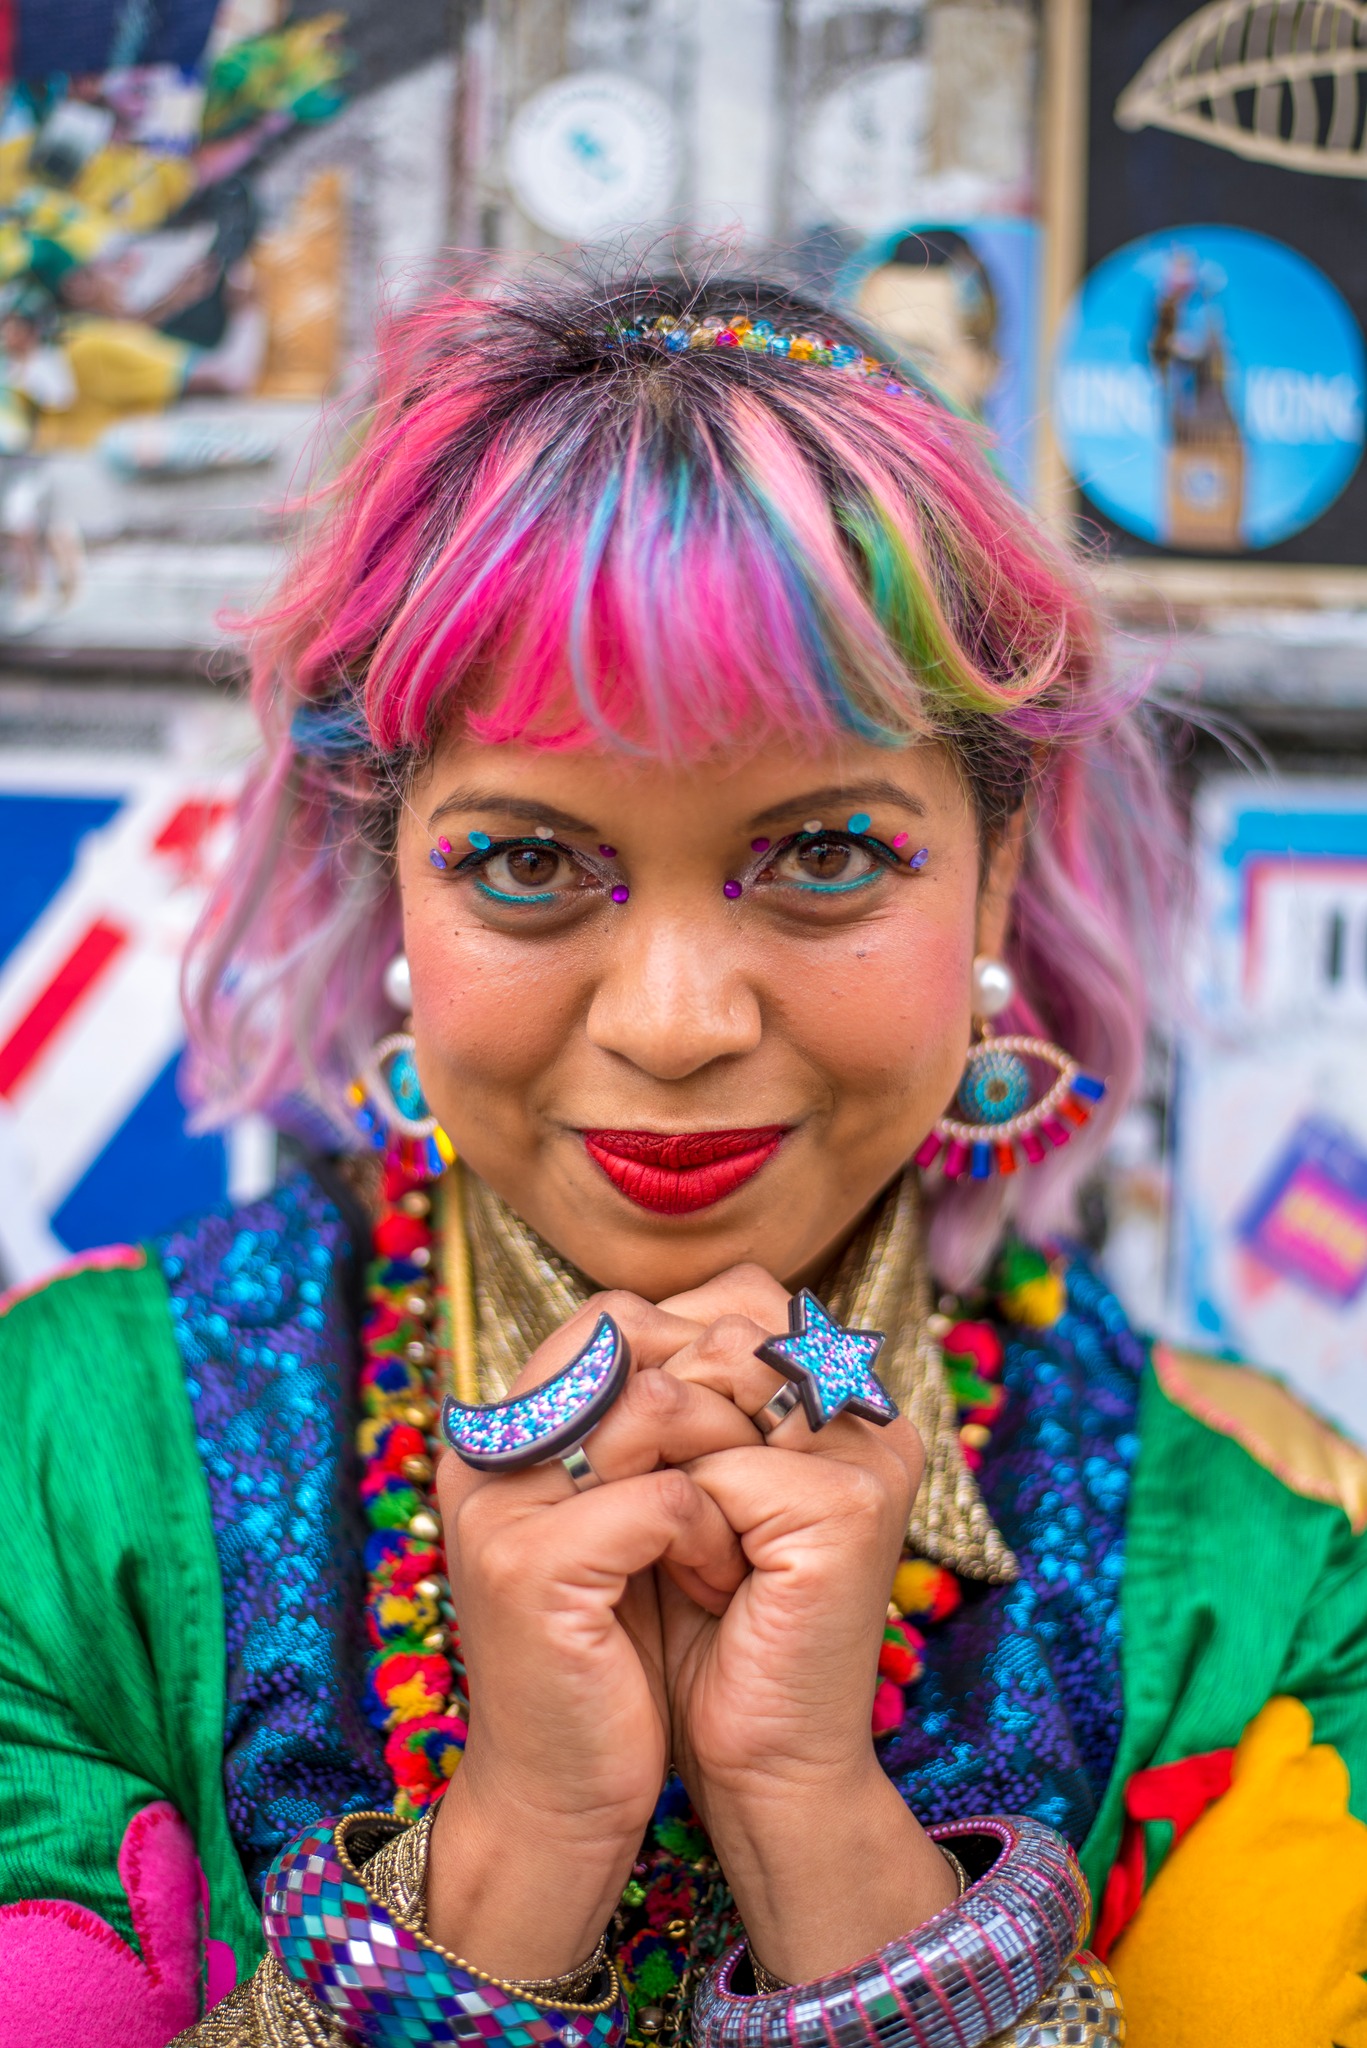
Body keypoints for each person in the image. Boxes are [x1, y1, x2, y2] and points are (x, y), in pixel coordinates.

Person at [1, 268, 1364, 2048]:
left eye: (820, 856)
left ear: (997, 880)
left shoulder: (1261, 1589)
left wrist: (828, 1839)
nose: (669, 1020)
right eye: (528, 863)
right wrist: (510, 1856)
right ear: (391, 874)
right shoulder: (66, 1472)